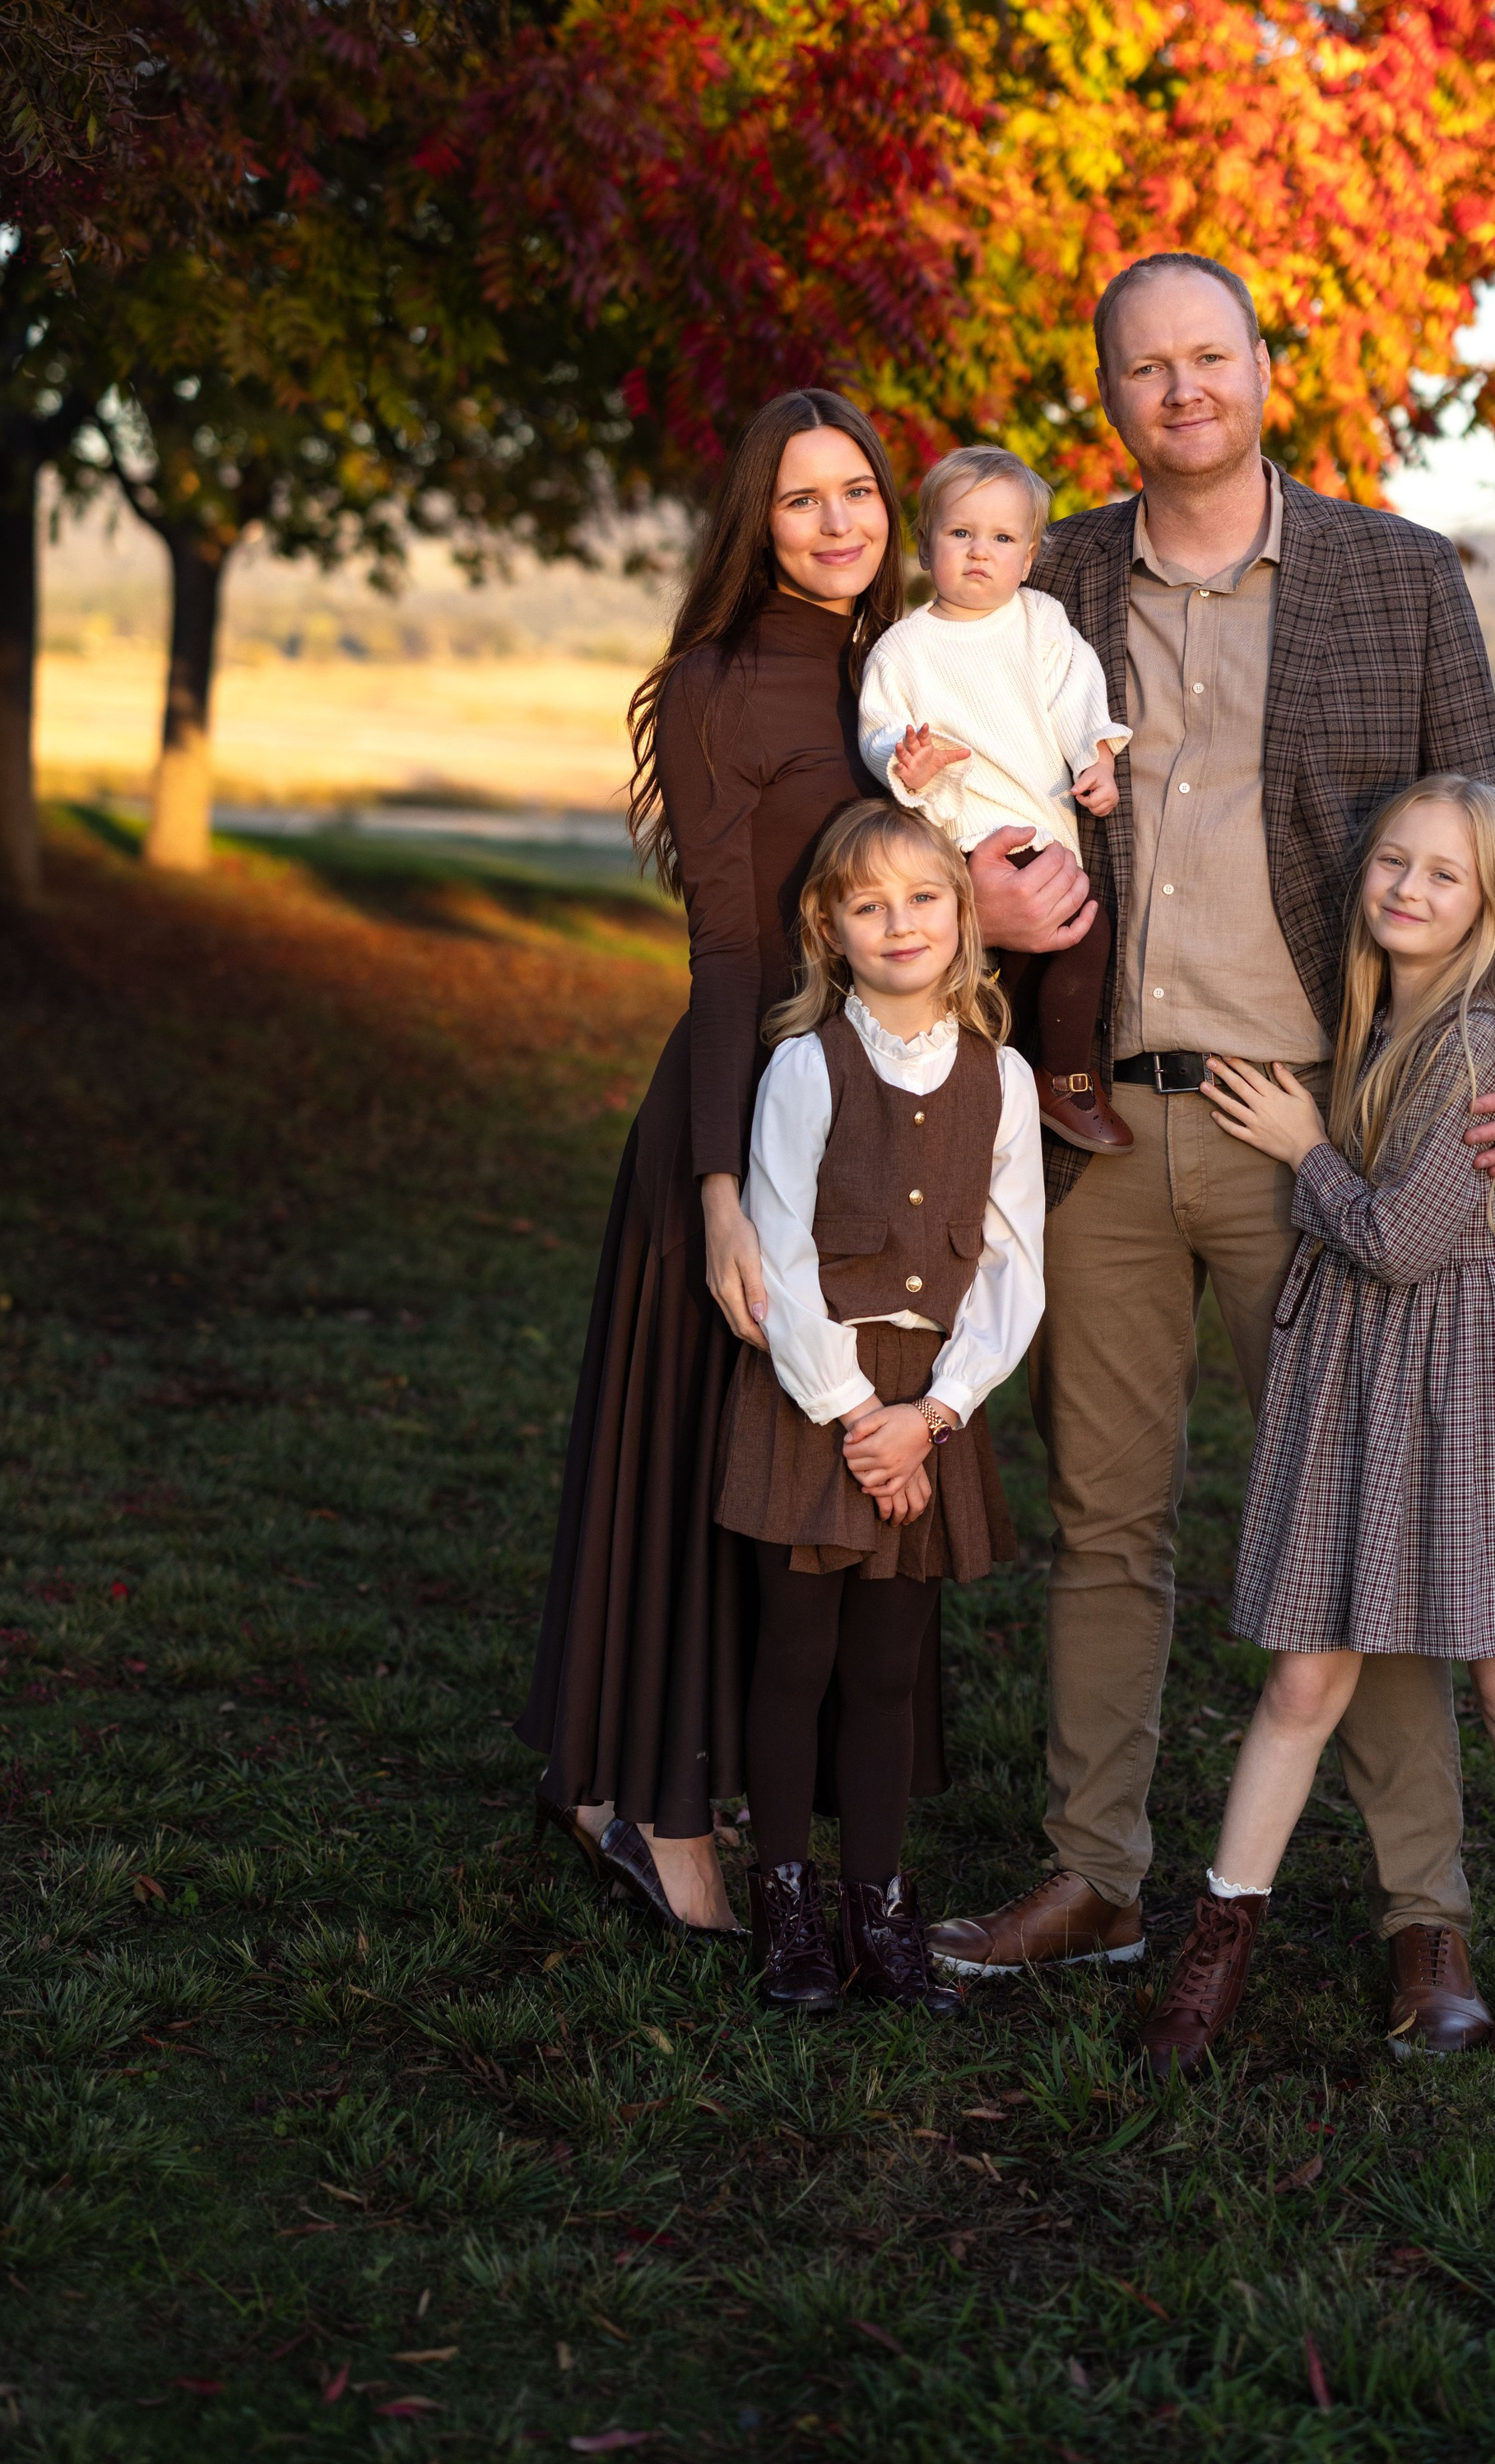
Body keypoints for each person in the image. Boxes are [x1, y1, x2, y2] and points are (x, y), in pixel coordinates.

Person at [928, 249, 1495, 2056]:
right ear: (1110, 391)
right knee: (1101, 1519)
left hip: (1322, 1133)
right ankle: (1092, 1873)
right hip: (1102, 1113)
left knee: (1366, 1535)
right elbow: (927, 778)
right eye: (1143, 364)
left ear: (1262, 365)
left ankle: (1423, 1923)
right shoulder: (1040, 574)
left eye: (1208, 353)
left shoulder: (1392, 573)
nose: (1180, 386)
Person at [517, 392, 904, 1936]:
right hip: (742, 1112)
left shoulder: (907, 668)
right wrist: (722, 1186)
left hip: (877, 1125)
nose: (837, 520)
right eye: (803, 497)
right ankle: (654, 1805)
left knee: (818, 1472)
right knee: (704, 1456)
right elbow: (729, 946)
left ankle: (774, 1788)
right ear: (757, 518)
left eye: (860, 490)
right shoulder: (716, 682)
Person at [1135, 774, 1495, 2077]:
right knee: (1305, 1672)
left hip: (1471, 1377)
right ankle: (1215, 1948)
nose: (1408, 889)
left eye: (1445, 875)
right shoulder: (1380, 1014)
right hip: (1362, 1369)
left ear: (1491, 900)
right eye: (1393, 861)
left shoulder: (1480, 1042)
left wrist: (1300, 1142)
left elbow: (1394, 1238)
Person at [716, 798, 1044, 2014]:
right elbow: (778, 1253)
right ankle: (787, 1900)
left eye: (924, 898)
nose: (900, 922)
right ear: (829, 926)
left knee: (889, 1675)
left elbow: (1016, 1267)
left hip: (932, 1409)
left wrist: (938, 1413)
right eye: (870, 904)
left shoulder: (1002, 1079)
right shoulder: (805, 1066)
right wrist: (860, 1412)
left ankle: (881, 1908)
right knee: (796, 1658)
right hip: (817, 1399)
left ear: (965, 917)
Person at [857, 444, 1134, 1157]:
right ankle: (1063, 1081)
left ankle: (1019, 1086)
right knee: (1076, 932)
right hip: (957, 840)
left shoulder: (1040, 621)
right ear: (925, 546)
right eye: (961, 534)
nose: (981, 552)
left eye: (1002, 538)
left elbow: (1078, 693)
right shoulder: (904, 648)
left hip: (1042, 827)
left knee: (1049, 956)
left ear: (1029, 555)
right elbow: (881, 729)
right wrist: (906, 759)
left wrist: (1095, 757)